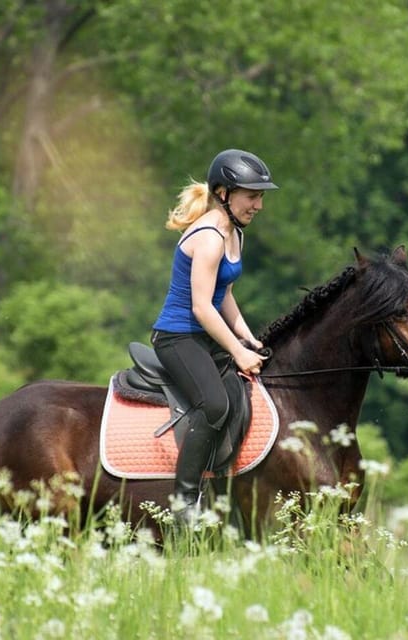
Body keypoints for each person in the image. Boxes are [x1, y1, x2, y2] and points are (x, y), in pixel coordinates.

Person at [151, 149, 277, 525]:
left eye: (261, 196)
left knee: (241, 396)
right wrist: (238, 352)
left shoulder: (234, 232)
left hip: (205, 336)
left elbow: (226, 297)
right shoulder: (209, 237)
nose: (259, 205)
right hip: (177, 338)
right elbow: (202, 308)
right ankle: (184, 501)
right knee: (215, 405)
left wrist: (249, 338)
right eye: (252, 196)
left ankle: (224, 490)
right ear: (223, 193)